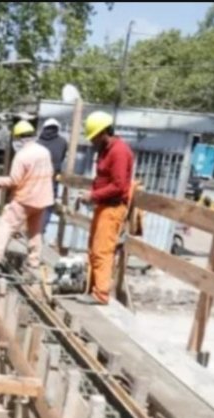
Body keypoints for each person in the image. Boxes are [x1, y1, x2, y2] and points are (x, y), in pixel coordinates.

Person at [78, 111, 134, 306]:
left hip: (113, 207)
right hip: (103, 205)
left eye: (94, 136)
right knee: (94, 247)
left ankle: (101, 293)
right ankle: (93, 288)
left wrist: (93, 195)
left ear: (103, 132)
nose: (92, 140)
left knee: (103, 249)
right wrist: (92, 195)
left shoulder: (119, 152)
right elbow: (102, 178)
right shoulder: (104, 150)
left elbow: (119, 185)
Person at [0, 120, 55, 281]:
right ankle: (34, 260)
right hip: (42, 199)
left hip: (25, 199)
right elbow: (50, 172)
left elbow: (15, 180)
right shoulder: (44, 151)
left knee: (7, 225)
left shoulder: (22, 156)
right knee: (35, 231)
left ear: (19, 138)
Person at [37, 118, 68, 236]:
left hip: (37, 179)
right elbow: (62, 157)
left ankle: (32, 229)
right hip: (52, 180)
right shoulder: (62, 142)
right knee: (48, 205)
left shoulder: (38, 143)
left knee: (33, 204)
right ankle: (41, 230)